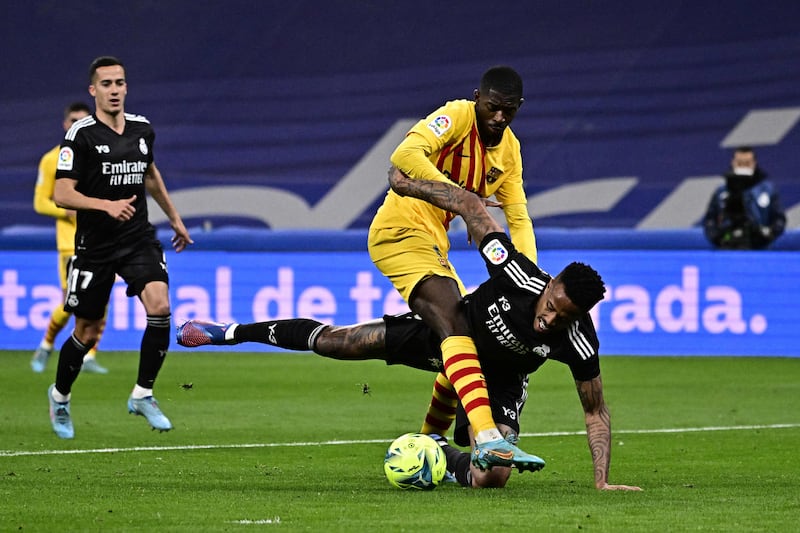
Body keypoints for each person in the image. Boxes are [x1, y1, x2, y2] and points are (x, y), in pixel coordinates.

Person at [176, 169, 641, 491]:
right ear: (551, 283)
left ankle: (443, 459)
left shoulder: (578, 339)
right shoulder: (518, 274)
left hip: (501, 380)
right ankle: (231, 331)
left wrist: (601, 479)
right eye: (553, 307)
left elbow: (595, 410)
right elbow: (470, 206)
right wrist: (408, 185)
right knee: (340, 342)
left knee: (493, 478)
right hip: (447, 336)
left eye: (564, 317)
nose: (551, 319)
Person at [367, 66, 541, 471]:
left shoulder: (509, 151)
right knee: (458, 324)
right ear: (478, 98)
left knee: (463, 336)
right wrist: (461, 198)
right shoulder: (458, 116)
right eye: (493, 108)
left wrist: (531, 279)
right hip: (401, 229)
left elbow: (518, 217)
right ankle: (485, 437)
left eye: (508, 111)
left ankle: (431, 437)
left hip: (433, 243)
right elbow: (403, 157)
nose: (499, 118)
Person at [46, 56, 193, 439]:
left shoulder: (143, 129)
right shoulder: (80, 135)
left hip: (137, 238)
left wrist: (174, 218)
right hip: (95, 246)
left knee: (160, 306)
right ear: (93, 90)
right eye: (106, 84)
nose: (114, 90)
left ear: (127, 87)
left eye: (120, 83)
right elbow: (61, 192)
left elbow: (149, 174)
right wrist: (106, 205)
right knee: (88, 331)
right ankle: (60, 396)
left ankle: (143, 393)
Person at [31, 102, 109, 375]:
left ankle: (90, 356)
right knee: (72, 301)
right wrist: (68, 212)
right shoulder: (52, 159)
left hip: (101, 239)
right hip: (70, 242)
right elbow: (40, 202)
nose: (78, 124)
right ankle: (46, 344)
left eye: (83, 120)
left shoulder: (99, 157)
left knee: (102, 300)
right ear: (65, 124)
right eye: (73, 120)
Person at [702, 146, 786, 250]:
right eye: (739, 163)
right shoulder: (721, 191)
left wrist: (767, 234)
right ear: (733, 163)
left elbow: (779, 219)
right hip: (726, 246)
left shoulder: (767, 190)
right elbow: (709, 219)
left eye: (747, 164)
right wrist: (716, 237)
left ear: (754, 163)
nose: (743, 168)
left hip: (759, 248)